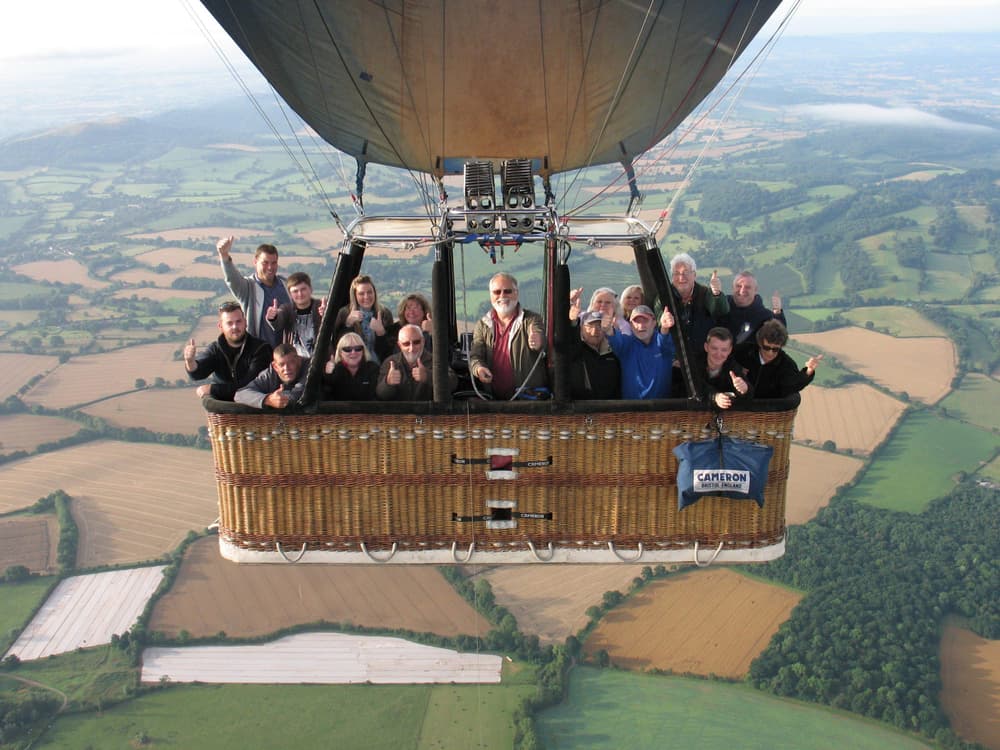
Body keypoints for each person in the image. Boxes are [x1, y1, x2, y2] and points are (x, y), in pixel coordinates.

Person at [469, 273, 547, 400]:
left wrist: (539, 342)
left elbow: (542, 342)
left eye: (507, 291)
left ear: (516, 293)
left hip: (527, 400)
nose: (502, 296)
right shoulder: (482, 325)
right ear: (491, 296)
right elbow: (475, 355)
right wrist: (478, 368)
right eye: (497, 292)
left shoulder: (532, 320)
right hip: (492, 400)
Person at [183, 302, 272, 400]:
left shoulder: (261, 349)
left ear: (245, 323)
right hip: (224, 409)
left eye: (238, 321)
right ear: (220, 326)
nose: (235, 327)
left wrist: (213, 389)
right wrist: (190, 361)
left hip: (253, 406)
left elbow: (249, 386)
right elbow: (197, 373)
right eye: (229, 323)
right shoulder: (215, 349)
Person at [216, 236, 290, 348]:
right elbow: (232, 279)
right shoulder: (248, 287)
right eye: (265, 263)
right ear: (255, 262)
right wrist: (224, 256)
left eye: (274, 263)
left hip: (285, 357)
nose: (270, 267)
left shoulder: (286, 286)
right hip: (257, 354)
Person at [736, 319, 822, 399]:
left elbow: (793, 385)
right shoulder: (744, 352)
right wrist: (738, 369)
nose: (770, 353)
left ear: (781, 346)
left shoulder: (786, 364)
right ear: (760, 343)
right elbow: (726, 361)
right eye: (766, 347)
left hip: (767, 409)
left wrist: (808, 371)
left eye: (775, 349)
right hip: (740, 404)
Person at [606, 304, 675, 399]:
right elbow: (614, 337)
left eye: (645, 321)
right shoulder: (626, 344)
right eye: (636, 322)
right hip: (631, 410)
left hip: (661, 409)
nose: (641, 326)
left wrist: (665, 328)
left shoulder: (662, 343)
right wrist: (608, 328)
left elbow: (665, 340)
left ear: (654, 322)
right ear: (630, 325)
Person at [668, 253, 729, 350]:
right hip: (675, 357)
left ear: (694, 275)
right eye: (677, 273)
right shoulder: (664, 296)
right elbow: (658, 323)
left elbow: (720, 311)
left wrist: (717, 294)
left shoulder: (705, 293)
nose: (681, 277)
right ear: (672, 277)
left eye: (686, 272)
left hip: (702, 354)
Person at [333, 274, 394, 364]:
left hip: (377, 366)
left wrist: (381, 334)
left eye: (369, 292)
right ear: (355, 296)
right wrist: (348, 325)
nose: (366, 297)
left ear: (374, 293)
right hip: (352, 368)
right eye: (361, 293)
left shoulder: (384, 314)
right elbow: (337, 345)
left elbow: (390, 350)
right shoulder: (344, 313)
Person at [376, 323, 446, 401]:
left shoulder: (436, 361)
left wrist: (428, 376)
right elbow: (380, 395)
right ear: (399, 345)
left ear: (423, 341)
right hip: (398, 412)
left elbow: (453, 383)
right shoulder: (390, 362)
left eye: (416, 342)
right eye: (406, 344)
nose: (411, 348)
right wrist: (388, 382)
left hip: (427, 411)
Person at [265, 272, 326, 357]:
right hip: (294, 361)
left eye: (303, 289)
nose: (300, 294)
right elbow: (278, 322)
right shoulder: (287, 309)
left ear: (311, 289)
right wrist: (273, 317)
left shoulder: (321, 307)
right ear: (290, 294)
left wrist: (327, 316)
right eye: (295, 291)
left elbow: (335, 327)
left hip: (319, 359)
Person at [234, 343, 309, 409]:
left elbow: (298, 395)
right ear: (275, 366)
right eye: (281, 364)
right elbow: (240, 394)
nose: (286, 368)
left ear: (299, 360)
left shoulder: (309, 367)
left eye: (291, 362)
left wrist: (277, 398)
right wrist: (268, 399)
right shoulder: (270, 374)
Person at [695, 327, 751, 410]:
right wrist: (715, 397)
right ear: (706, 347)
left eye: (724, 350)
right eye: (714, 348)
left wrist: (745, 388)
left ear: (730, 350)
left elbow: (748, 395)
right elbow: (696, 386)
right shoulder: (694, 363)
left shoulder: (733, 366)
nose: (718, 354)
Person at [570, 310, 621, 399]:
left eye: (599, 326)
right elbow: (566, 345)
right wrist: (573, 323)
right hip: (583, 409)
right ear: (581, 329)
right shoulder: (576, 352)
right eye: (590, 326)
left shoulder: (613, 354)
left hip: (610, 409)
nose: (595, 331)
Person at [725, 271, 786, 345]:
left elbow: (778, 338)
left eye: (748, 287)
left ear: (755, 290)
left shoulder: (764, 316)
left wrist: (777, 313)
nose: (742, 290)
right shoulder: (721, 307)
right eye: (738, 286)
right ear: (732, 287)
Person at [322, 332, 379, 401]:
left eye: (358, 348)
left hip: (367, 410)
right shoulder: (335, 370)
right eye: (347, 349)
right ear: (340, 353)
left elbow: (377, 397)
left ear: (363, 351)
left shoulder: (373, 369)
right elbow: (325, 398)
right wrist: (328, 376)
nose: (353, 352)